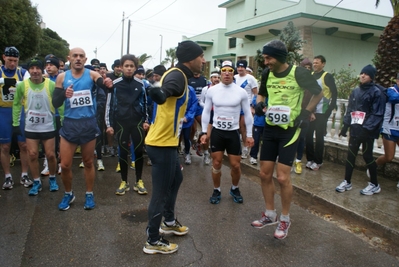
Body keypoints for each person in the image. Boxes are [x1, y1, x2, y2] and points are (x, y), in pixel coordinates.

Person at [251, 40, 323, 239]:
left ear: (280, 57)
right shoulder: (267, 74)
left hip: (290, 131)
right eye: (265, 58)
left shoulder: (299, 73)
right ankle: (270, 214)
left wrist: (306, 111)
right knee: (264, 174)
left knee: (282, 177)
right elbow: (262, 95)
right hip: (270, 128)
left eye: (269, 58)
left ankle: (285, 218)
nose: (266, 62)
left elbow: (319, 93)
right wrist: (259, 104)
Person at [143, 40, 205, 254]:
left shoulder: (180, 75)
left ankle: (168, 221)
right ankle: (152, 240)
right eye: (201, 56)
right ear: (191, 58)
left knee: (176, 179)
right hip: (161, 144)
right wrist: (160, 94)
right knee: (160, 192)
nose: (203, 60)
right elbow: (167, 91)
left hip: (168, 142)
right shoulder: (178, 75)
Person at [52, 47, 113, 211]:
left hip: (88, 124)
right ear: (69, 59)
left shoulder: (91, 74)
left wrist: (106, 82)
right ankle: (68, 193)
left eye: (81, 56)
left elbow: (102, 82)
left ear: (85, 60)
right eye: (75, 56)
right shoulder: (62, 77)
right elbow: (56, 102)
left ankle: (89, 194)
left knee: (87, 162)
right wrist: (64, 93)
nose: (78, 58)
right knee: (64, 165)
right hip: (70, 125)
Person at [200, 60, 254, 204]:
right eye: (224, 70)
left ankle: (234, 188)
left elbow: (248, 114)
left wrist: (249, 135)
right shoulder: (212, 91)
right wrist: (204, 132)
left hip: (233, 133)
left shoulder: (241, 92)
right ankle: (216, 190)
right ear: (220, 73)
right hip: (218, 132)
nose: (227, 73)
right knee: (216, 163)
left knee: (236, 165)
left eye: (230, 71)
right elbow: (206, 112)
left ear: (233, 73)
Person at [12, 58, 61, 195]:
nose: (35, 71)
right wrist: (15, 123)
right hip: (31, 127)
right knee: (32, 155)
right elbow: (16, 104)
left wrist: (62, 120)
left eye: (37, 68)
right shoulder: (22, 85)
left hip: (48, 126)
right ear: (29, 71)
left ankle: (52, 178)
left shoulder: (51, 85)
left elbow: (60, 103)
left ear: (42, 70)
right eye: (32, 68)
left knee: (51, 155)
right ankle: (36, 181)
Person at [336, 64, 384, 195]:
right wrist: (345, 126)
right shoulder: (355, 91)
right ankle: (347, 181)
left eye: (366, 74)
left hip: (368, 132)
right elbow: (350, 110)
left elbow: (377, 114)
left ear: (372, 77)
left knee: (367, 156)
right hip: (355, 130)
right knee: (350, 155)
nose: (362, 76)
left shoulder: (376, 93)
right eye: (362, 73)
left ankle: (374, 184)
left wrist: (366, 130)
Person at [106, 58, 149, 196]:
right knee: (123, 152)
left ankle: (139, 181)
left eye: (132, 66)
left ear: (135, 68)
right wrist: (109, 125)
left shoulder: (141, 84)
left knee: (138, 152)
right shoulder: (115, 84)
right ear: (121, 68)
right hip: (121, 123)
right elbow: (109, 105)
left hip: (137, 122)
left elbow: (145, 102)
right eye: (126, 66)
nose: (129, 68)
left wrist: (146, 120)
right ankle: (124, 181)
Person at [0, 46, 31, 190]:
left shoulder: (22, 72)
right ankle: (8, 177)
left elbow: (29, 86)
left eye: (15, 61)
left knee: (24, 145)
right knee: (5, 146)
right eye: (10, 60)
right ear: (4, 57)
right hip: (3, 111)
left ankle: (24, 174)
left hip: (20, 111)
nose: (13, 64)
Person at [305, 55, 337, 171]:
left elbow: (334, 93)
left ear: (323, 64)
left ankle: (318, 161)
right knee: (308, 135)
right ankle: (310, 159)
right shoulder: (311, 76)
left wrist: (329, 110)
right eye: (314, 63)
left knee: (319, 137)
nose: (315, 64)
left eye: (317, 63)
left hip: (322, 111)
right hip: (311, 110)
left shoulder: (327, 76)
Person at [374, 73, 399, 189]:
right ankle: (373, 166)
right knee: (389, 157)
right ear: (397, 81)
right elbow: (394, 99)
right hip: (390, 129)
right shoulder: (391, 90)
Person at [293, 58, 315, 174]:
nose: (307, 70)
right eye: (305, 68)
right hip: (293, 114)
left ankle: (298, 161)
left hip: (305, 115)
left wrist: (311, 112)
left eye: (309, 68)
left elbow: (315, 98)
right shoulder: (295, 80)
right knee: (292, 138)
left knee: (302, 138)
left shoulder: (311, 83)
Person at [234, 59, 258, 159]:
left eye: (242, 67)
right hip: (235, 105)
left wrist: (253, 106)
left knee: (244, 126)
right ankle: (238, 146)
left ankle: (245, 147)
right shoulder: (234, 77)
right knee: (237, 127)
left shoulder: (250, 78)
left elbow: (256, 93)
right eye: (238, 67)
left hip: (246, 106)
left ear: (245, 67)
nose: (240, 69)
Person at [199, 70, 220, 165]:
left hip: (218, 113)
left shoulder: (222, 88)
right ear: (211, 78)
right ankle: (206, 153)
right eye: (215, 77)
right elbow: (201, 101)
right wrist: (207, 106)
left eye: (218, 77)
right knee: (207, 134)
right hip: (208, 113)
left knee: (216, 135)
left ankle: (214, 153)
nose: (217, 79)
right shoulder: (205, 89)